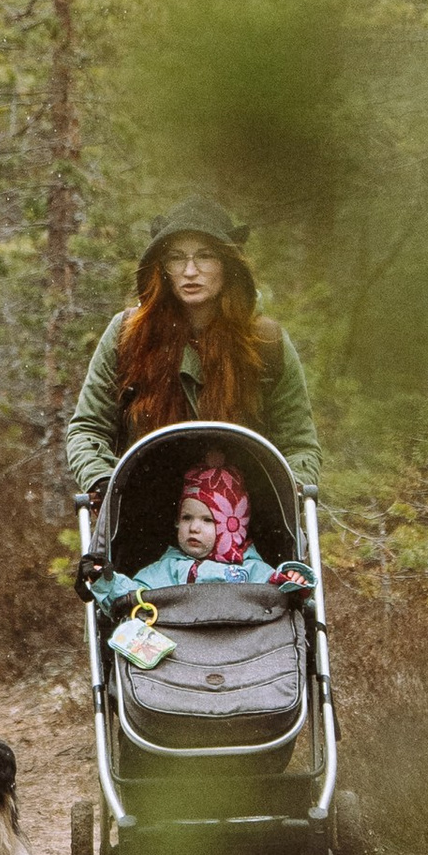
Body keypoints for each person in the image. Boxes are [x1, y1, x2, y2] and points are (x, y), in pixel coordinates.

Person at [66, 192, 321, 506]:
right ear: (161, 268)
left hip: (243, 517)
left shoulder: (265, 341)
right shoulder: (128, 335)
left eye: (204, 256)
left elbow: (299, 444)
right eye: (176, 257)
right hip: (146, 510)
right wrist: (106, 483)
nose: (189, 271)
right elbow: (87, 429)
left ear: (228, 265)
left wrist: (287, 490)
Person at [123, 457, 284, 592]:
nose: (194, 528)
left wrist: (293, 579)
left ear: (231, 527)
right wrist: (107, 579)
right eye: (186, 518)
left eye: (207, 520)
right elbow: (131, 594)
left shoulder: (251, 569)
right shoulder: (168, 569)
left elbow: (282, 591)